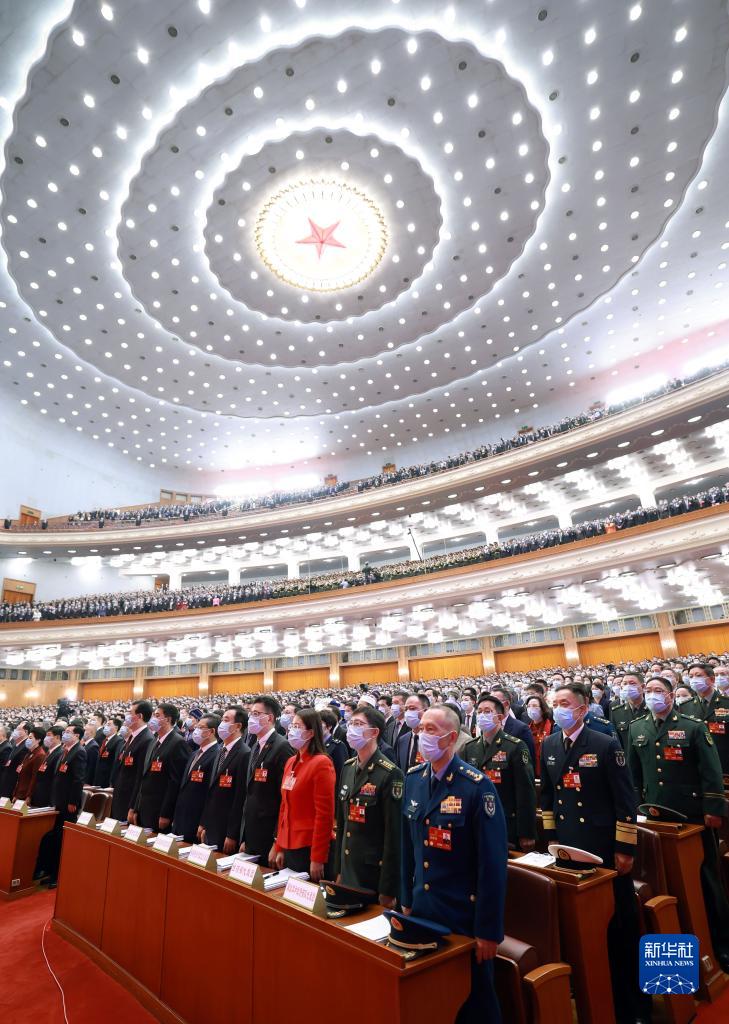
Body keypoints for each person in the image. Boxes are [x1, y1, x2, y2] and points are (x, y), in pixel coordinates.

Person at [541, 683, 648, 1024]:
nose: (559, 708)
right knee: (582, 927)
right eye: (555, 703)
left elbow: (625, 801)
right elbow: (548, 799)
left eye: (565, 703)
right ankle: (594, 997)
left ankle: (634, 1004)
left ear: (583, 708)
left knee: (620, 927)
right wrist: (551, 841)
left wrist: (624, 848)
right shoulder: (550, 744)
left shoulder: (604, 744)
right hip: (567, 848)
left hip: (603, 849)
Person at [401, 704, 507, 1024]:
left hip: (463, 916)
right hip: (424, 908)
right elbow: (408, 848)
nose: (422, 735)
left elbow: (492, 864)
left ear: (450, 738)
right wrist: (406, 898)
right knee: (434, 998)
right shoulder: (414, 779)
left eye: (431, 730)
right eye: (421, 729)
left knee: (476, 1002)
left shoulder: (475, 786)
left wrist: (488, 930)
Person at [628, 674, 729, 971]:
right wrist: (635, 809)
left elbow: (711, 770)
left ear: (671, 696)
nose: (652, 695)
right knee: (668, 879)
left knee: (707, 879)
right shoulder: (637, 727)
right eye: (648, 690)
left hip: (692, 814)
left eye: (658, 690)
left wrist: (713, 809)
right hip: (655, 815)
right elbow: (634, 774)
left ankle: (722, 944)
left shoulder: (692, 726)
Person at [333, 705, 403, 906]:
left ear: (374, 732)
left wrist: (388, 887)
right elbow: (342, 825)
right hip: (348, 868)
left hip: (372, 872)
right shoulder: (348, 767)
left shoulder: (389, 773)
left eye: (358, 724)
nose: (351, 729)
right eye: (350, 724)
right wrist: (338, 869)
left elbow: (393, 835)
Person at [463, 695, 536, 851]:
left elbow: (525, 791)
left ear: (500, 717)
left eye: (487, 711)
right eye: (479, 712)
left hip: (506, 822)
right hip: (476, 821)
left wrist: (526, 832)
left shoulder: (515, 746)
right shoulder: (470, 747)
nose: (482, 715)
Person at [270, 708, 335, 881]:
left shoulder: (321, 763)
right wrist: (280, 846)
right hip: (290, 843)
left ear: (311, 733)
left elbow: (324, 815)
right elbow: (284, 807)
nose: (292, 730)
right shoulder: (291, 761)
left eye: (297, 726)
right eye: (292, 726)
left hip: (309, 846)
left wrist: (318, 857)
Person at [240, 696, 292, 860]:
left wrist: (277, 841)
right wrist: (244, 836)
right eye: (251, 714)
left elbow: (285, 798)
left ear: (269, 718)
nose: (251, 718)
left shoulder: (282, 746)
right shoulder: (255, 745)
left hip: (268, 832)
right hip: (252, 830)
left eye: (256, 714)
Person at [36, 724, 87, 888]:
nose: (65, 734)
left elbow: (78, 779)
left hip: (67, 805)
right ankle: (51, 871)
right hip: (57, 801)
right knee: (54, 839)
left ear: (77, 736)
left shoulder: (79, 752)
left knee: (61, 840)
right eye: (64, 732)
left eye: (68, 732)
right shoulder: (65, 751)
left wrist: (73, 801)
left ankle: (58, 876)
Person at [131, 703, 189, 832]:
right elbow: (144, 777)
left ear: (167, 719)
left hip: (159, 811)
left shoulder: (178, 743)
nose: (153, 719)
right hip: (144, 808)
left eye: (157, 716)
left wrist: (166, 814)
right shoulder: (154, 741)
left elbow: (174, 783)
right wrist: (136, 808)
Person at [199, 706, 251, 852]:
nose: (221, 724)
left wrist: (232, 834)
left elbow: (240, 798)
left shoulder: (244, 753)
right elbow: (211, 791)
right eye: (222, 720)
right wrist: (205, 823)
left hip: (226, 827)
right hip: (212, 824)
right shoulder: (220, 749)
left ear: (238, 726)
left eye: (226, 720)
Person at [172, 714, 221, 843]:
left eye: (200, 727)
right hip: (181, 816)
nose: (196, 730)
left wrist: (204, 822)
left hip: (197, 819)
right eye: (196, 727)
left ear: (211, 731)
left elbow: (211, 794)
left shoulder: (217, 754)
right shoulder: (194, 753)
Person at [110, 701, 155, 822]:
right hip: (120, 795)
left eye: (130, 713)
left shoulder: (147, 739)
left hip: (129, 799)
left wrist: (133, 806)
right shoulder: (132, 737)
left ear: (139, 716)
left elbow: (140, 776)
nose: (127, 716)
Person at [686, 663, 729, 773]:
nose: (694, 679)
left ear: (712, 679)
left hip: (724, 762)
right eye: (691, 676)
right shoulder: (685, 706)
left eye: (698, 676)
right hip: (699, 764)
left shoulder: (726, 702)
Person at [489, 686, 536, 765]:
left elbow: (527, 760)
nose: (490, 705)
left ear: (507, 704)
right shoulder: (487, 726)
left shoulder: (521, 728)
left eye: (495, 702)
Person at [610, 672, 647, 749]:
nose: (628, 687)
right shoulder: (617, 712)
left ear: (643, 687)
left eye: (632, 683)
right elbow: (617, 740)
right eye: (625, 684)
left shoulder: (652, 710)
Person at [31, 726, 64, 807]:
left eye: (49, 735)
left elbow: (54, 777)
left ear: (57, 737)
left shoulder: (60, 753)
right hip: (39, 793)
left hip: (46, 796)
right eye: (46, 735)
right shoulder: (49, 752)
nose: (46, 738)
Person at [395, 693, 429, 771]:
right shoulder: (402, 740)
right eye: (406, 709)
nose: (408, 713)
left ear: (426, 711)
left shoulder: (433, 739)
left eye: (412, 708)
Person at [12, 726, 46, 803]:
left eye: (30, 738)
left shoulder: (40, 755)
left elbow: (34, 778)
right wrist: (16, 793)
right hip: (20, 792)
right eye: (28, 738)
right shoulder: (29, 753)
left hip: (26, 795)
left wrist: (29, 796)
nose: (27, 740)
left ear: (38, 740)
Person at [0, 721, 30, 798]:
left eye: (18, 729)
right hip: (6, 781)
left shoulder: (25, 746)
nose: (15, 731)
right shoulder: (16, 744)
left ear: (25, 732)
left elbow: (19, 768)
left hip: (12, 783)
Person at [525, 694, 552, 776]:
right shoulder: (526, 728)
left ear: (542, 708)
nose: (531, 709)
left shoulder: (551, 726)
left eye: (534, 706)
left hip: (547, 767)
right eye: (528, 706)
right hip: (530, 767)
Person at [320, 707, 348, 788]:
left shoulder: (337, 746)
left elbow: (341, 775)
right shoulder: (314, 744)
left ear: (329, 726)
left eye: (319, 723)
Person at [94, 717, 123, 788]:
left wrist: (111, 781)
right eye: (106, 724)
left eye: (109, 725)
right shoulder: (104, 740)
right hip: (98, 777)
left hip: (107, 778)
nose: (106, 727)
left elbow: (115, 762)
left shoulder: (118, 741)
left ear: (116, 728)